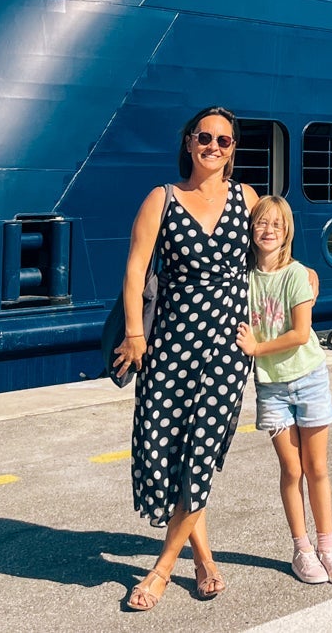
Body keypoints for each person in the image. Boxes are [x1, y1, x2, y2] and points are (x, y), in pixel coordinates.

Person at [111, 106, 259, 610]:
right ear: (189, 142)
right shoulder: (163, 199)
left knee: (199, 455)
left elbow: (270, 257)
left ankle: (161, 569)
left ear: (234, 149)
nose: (213, 146)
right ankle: (205, 559)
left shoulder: (248, 198)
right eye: (205, 137)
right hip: (170, 345)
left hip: (225, 347)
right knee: (164, 454)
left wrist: (301, 283)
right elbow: (135, 272)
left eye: (224, 140)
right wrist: (135, 335)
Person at [235, 195, 332, 587]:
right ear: (251, 230)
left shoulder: (298, 275)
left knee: (316, 468)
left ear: (287, 232)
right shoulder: (244, 279)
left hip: (308, 378)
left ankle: (328, 546)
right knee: (291, 469)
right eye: (261, 223)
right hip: (271, 387)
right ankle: (302, 550)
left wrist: (256, 349)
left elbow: (300, 334)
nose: (267, 230)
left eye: (276, 225)